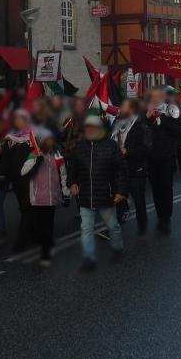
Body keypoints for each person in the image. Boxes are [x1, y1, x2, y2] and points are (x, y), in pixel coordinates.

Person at [66, 112, 127, 272]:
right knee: (86, 228)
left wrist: (120, 191)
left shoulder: (111, 146)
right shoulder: (80, 147)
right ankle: (89, 258)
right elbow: (72, 167)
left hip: (105, 194)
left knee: (113, 225)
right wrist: (71, 182)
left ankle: (117, 250)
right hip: (86, 196)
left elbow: (121, 170)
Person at [19, 131, 69, 265]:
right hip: (38, 197)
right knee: (40, 226)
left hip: (52, 196)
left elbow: (63, 175)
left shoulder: (57, 155)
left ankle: (46, 250)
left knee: (49, 225)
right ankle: (45, 245)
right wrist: (35, 162)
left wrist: (66, 192)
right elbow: (23, 172)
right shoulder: (34, 155)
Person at [145, 87, 181, 234]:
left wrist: (164, 119)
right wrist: (147, 117)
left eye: (158, 97)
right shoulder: (146, 111)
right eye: (153, 97)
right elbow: (139, 129)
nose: (155, 100)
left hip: (167, 156)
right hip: (151, 157)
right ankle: (160, 215)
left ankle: (166, 218)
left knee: (166, 188)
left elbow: (179, 130)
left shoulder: (171, 110)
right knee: (155, 188)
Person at [0, 109, 35, 252]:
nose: (19, 122)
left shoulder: (33, 137)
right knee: (25, 207)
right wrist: (1, 172)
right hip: (16, 180)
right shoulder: (10, 138)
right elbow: (5, 159)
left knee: (27, 208)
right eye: (17, 119)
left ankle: (23, 239)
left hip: (31, 178)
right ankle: (30, 234)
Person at [111, 98, 151, 233]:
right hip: (120, 170)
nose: (121, 108)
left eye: (125, 106)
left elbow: (146, 149)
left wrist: (128, 151)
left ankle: (142, 226)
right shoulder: (117, 124)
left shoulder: (141, 126)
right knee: (119, 199)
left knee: (139, 200)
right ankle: (115, 228)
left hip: (136, 170)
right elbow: (110, 141)